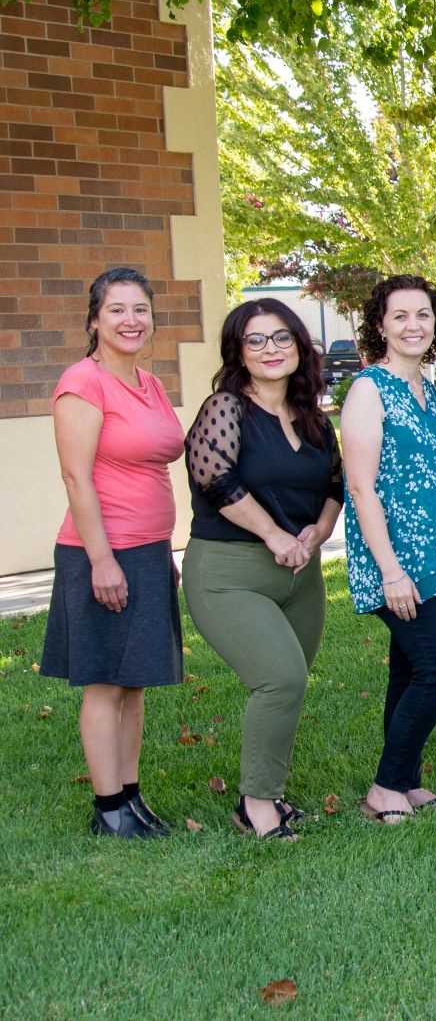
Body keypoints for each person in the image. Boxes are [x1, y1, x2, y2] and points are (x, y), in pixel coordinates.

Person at [182, 300, 343, 840]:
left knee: (289, 686)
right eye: (256, 341)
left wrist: (318, 533)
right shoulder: (225, 408)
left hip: (301, 574)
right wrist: (273, 534)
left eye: (281, 338)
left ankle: (268, 791)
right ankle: (255, 806)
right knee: (280, 677)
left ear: (299, 345)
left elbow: (334, 487)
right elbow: (215, 480)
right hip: (229, 571)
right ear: (238, 352)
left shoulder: (314, 418)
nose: (270, 350)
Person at [44, 268, 186, 839]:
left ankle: (131, 798)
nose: (131, 320)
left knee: (134, 682)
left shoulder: (148, 383)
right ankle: (108, 810)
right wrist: (102, 560)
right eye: (118, 310)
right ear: (94, 320)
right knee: (106, 681)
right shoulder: (83, 382)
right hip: (98, 552)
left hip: (147, 550)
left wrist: (161, 551)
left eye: (140, 310)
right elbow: (77, 479)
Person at [341, 275, 436, 824]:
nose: (413, 325)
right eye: (400, 316)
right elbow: (361, 486)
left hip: (433, 557)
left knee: (410, 669)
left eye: (423, 315)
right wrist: (391, 571)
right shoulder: (369, 389)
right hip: (395, 559)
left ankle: (407, 778)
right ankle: (386, 786)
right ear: (381, 325)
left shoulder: (425, 390)